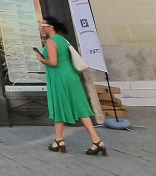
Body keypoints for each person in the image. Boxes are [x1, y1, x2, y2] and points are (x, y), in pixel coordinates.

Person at [34, 16, 106, 155]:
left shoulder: (50, 41)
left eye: (43, 25)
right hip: (71, 75)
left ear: (50, 27)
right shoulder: (62, 40)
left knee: (59, 105)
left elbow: (53, 62)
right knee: (80, 107)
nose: (41, 28)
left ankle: (59, 140)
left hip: (59, 77)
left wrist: (42, 60)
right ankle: (95, 140)